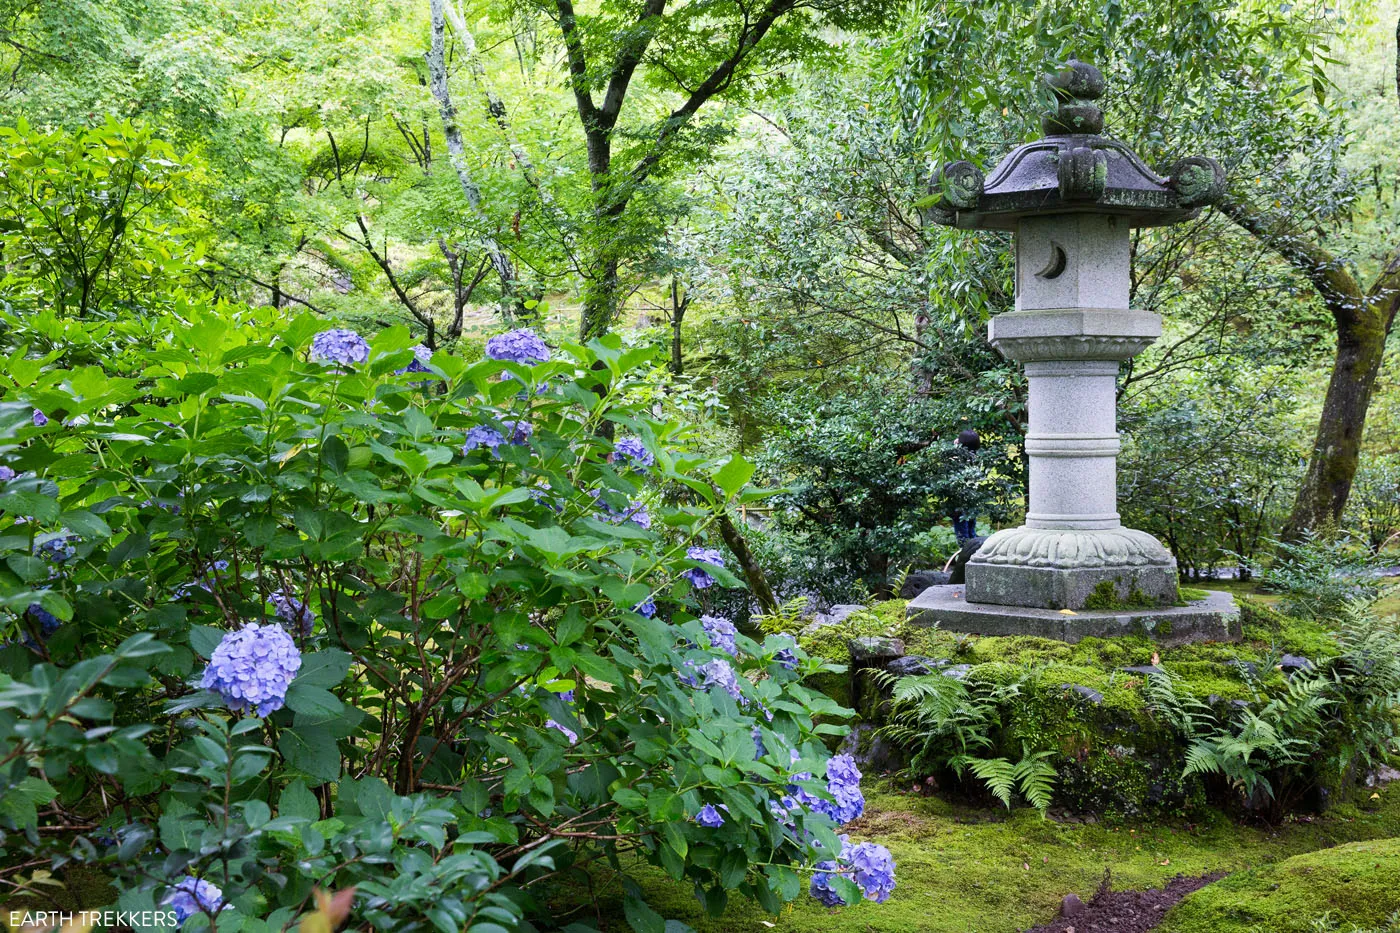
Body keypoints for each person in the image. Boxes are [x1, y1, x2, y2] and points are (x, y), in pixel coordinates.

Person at [950, 428, 981, 544]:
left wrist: (955, 447)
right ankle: (973, 550)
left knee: (962, 533)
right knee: (971, 529)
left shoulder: (958, 459)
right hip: (973, 499)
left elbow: (951, 464)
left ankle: (966, 554)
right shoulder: (977, 458)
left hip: (959, 500)